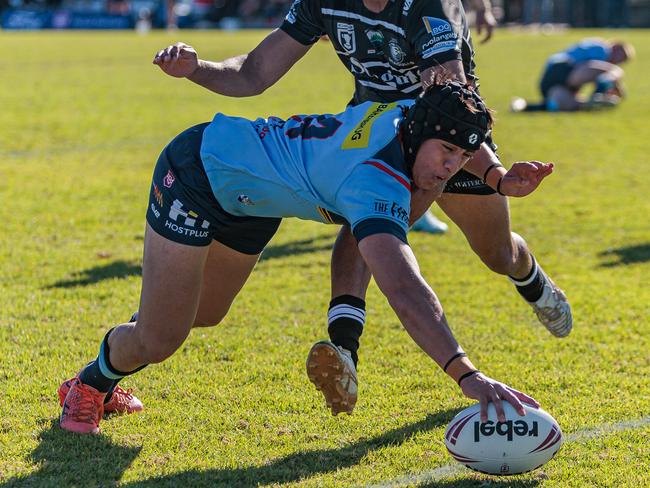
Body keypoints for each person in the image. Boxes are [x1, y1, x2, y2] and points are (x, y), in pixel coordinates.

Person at [153, 0, 572, 417]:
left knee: (497, 253)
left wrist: (496, 176)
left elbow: (448, 101)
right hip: (374, 132)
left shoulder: (427, 8)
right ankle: (344, 351)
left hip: (452, 139)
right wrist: (196, 68)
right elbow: (254, 72)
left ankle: (530, 278)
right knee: (366, 228)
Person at [58, 81, 551, 434]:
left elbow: (464, 131)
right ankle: (87, 385)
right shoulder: (371, 180)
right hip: (197, 173)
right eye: (444, 151)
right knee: (162, 337)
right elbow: (404, 288)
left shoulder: (411, 112)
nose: (450, 168)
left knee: (202, 316)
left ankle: (139, 337)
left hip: (252, 200)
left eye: (461, 158)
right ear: (422, 133)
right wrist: (467, 374)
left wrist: (498, 177)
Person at [511, 38, 635, 112]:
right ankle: (597, 96)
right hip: (561, 68)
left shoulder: (599, 54)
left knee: (572, 106)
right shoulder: (603, 49)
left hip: (551, 84)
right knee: (615, 71)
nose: (619, 62)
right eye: (621, 58)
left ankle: (523, 105)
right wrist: (608, 84)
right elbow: (590, 67)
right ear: (616, 47)